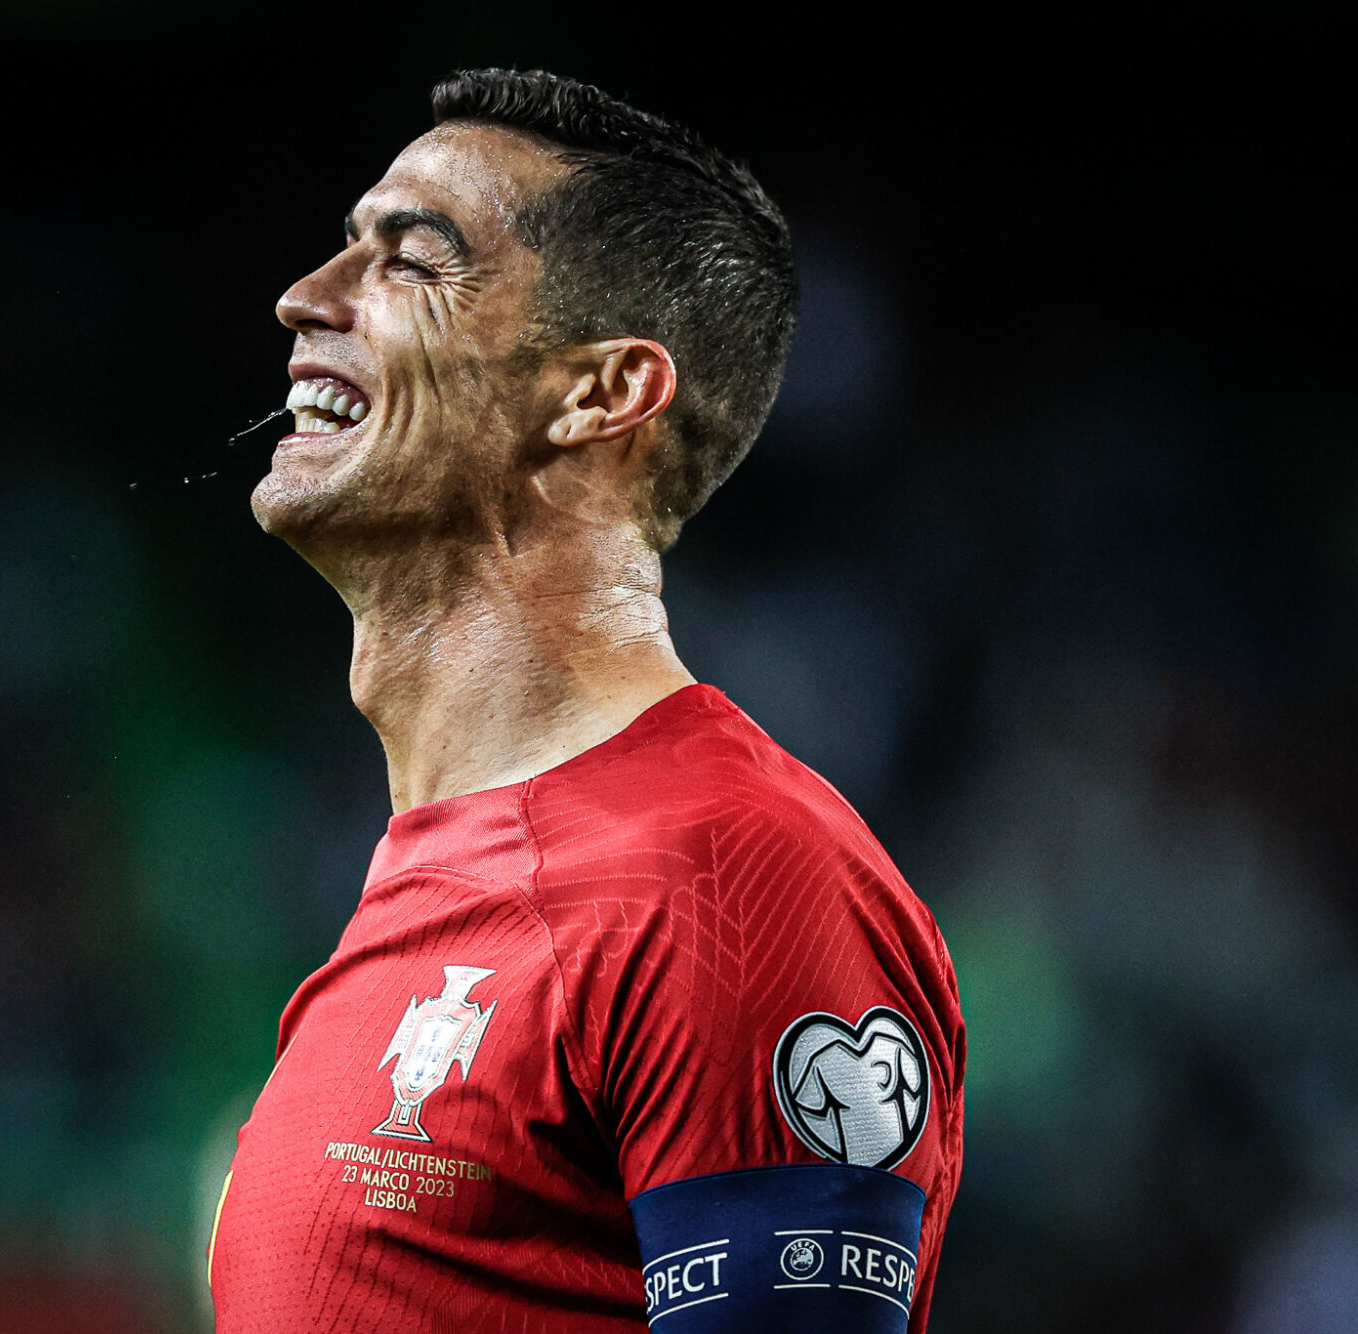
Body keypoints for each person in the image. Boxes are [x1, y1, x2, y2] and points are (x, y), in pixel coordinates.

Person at [207, 68, 964, 1334]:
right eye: (344, 246)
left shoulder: (730, 874)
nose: (305, 296)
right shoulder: (414, 898)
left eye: (411, 261)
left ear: (601, 394)